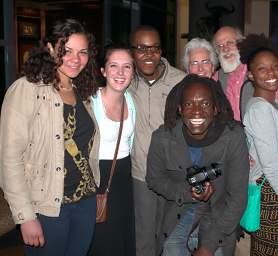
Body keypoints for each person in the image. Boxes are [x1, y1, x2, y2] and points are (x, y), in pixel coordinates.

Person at [0, 19, 101, 255]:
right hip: (47, 207)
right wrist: (25, 216)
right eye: (66, 51)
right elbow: (9, 158)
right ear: (49, 48)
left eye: (82, 52)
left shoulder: (82, 91)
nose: (75, 59)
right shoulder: (26, 89)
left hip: (85, 203)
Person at [146, 74, 250, 256]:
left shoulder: (233, 137)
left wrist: (208, 247)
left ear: (216, 108)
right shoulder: (163, 138)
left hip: (220, 214)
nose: (196, 111)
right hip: (179, 211)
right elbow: (154, 180)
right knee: (172, 249)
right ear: (179, 109)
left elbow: (237, 198)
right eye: (188, 104)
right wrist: (187, 193)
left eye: (205, 104)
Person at [128, 25, 185, 256]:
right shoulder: (125, 81)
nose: (149, 54)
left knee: (172, 236)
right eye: (141, 48)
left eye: (154, 48)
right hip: (140, 174)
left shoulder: (180, 81)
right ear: (132, 52)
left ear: (162, 51)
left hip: (174, 173)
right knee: (143, 238)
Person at [242, 42, 278, 255]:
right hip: (273, 195)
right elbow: (272, 164)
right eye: (262, 68)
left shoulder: (273, 104)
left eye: (275, 66)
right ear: (250, 75)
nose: (271, 73)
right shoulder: (260, 109)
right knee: (273, 249)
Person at [89, 43, 136, 255]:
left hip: (124, 180)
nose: (120, 72)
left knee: (123, 239)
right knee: (102, 242)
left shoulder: (131, 101)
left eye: (127, 67)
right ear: (103, 70)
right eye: (114, 65)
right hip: (98, 180)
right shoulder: (90, 102)